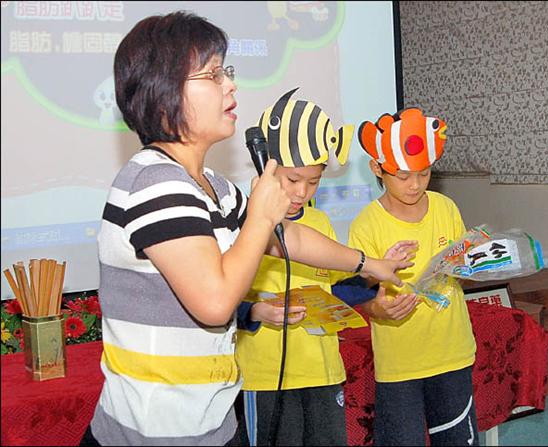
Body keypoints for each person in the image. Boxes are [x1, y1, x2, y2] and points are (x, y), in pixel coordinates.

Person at [81, 12, 415, 446]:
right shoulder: (154, 183)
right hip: (153, 435)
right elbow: (216, 303)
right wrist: (259, 217)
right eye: (213, 75)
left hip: (210, 426)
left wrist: (371, 265)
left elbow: (287, 238)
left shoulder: (212, 186)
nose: (231, 85)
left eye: (227, 72)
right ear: (163, 96)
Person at [234, 88, 419, 446]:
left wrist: (372, 275)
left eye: (313, 181)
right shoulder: (243, 222)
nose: (302, 191)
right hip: (266, 376)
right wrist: (256, 310)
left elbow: (335, 290)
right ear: (265, 168)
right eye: (292, 180)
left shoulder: (320, 223)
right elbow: (220, 297)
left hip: (322, 370)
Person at [348, 108, 479, 446]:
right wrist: (382, 311)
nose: (415, 184)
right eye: (403, 175)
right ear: (378, 168)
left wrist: (474, 263)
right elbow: (365, 300)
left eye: (423, 174)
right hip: (400, 364)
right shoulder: (367, 225)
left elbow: (461, 272)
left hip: (452, 353)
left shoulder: (445, 208)